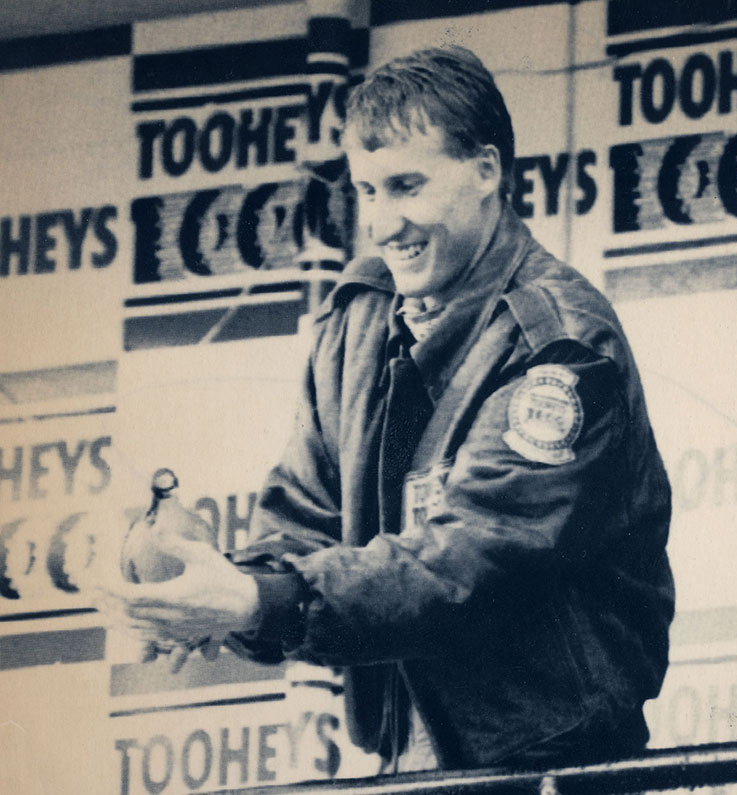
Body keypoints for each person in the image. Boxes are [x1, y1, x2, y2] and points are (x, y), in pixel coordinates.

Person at [103, 46, 675, 774]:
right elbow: (299, 524)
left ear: (487, 173)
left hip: (551, 769)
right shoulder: (358, 321)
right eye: (367, 191)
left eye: (406, 186)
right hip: (405, 765)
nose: (381, 222)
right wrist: (211, 587)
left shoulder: (561, 344)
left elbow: (468, 563)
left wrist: (255, 599)